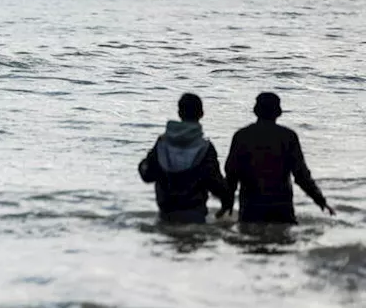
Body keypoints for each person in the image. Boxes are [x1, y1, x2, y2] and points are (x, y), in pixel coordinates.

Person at [221, 93, 334, 224]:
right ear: (279, 112)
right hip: (281, 204)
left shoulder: (241, 136)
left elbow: (232, 174)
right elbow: (301, 175)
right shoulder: (288, 136)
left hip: (251, 205)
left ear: (255, 111)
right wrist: (320, 200)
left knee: (250, 241)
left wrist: (227, 202)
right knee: (283, 240)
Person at [136, 94, 231, 224]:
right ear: (201, 114)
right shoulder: (205, 148)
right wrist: (227, 201)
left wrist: (142, 165)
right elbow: (214, 182)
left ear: (179, 113)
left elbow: (148, 175)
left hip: (166, 214)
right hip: (195, 215)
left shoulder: (162, 143)